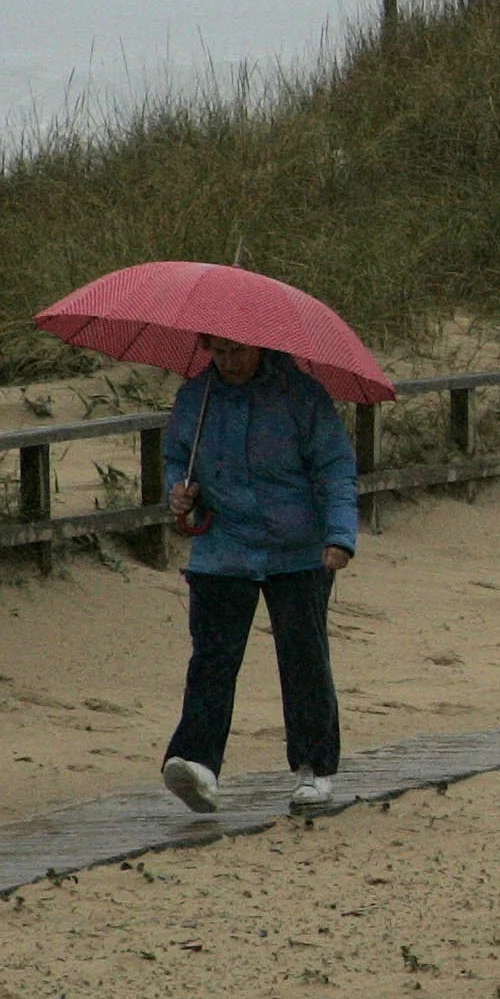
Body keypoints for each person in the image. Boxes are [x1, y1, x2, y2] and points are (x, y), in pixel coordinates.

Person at [159, 333, 358, 813]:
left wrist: (340, 535)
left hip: (299, 548)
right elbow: (174, 459)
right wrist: (178, 490)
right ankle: (197, 763)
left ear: (260, 346)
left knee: (303, 656)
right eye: (217, 352)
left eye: (237, 352)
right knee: (213, 656)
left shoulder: (302, 395)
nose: (227, 362)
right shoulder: (196, 396)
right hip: (222, 546)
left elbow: (335, 468)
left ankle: (314, 769)